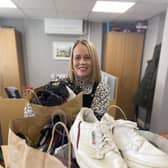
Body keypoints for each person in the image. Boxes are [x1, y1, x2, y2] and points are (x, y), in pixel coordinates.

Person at [67, 39, 111, 120]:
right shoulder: (64, 85)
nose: (82, 62)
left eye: (87, 57)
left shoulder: (102, 88)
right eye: (77, 57)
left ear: (94, 61)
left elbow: (94, 122)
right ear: (72, 61)